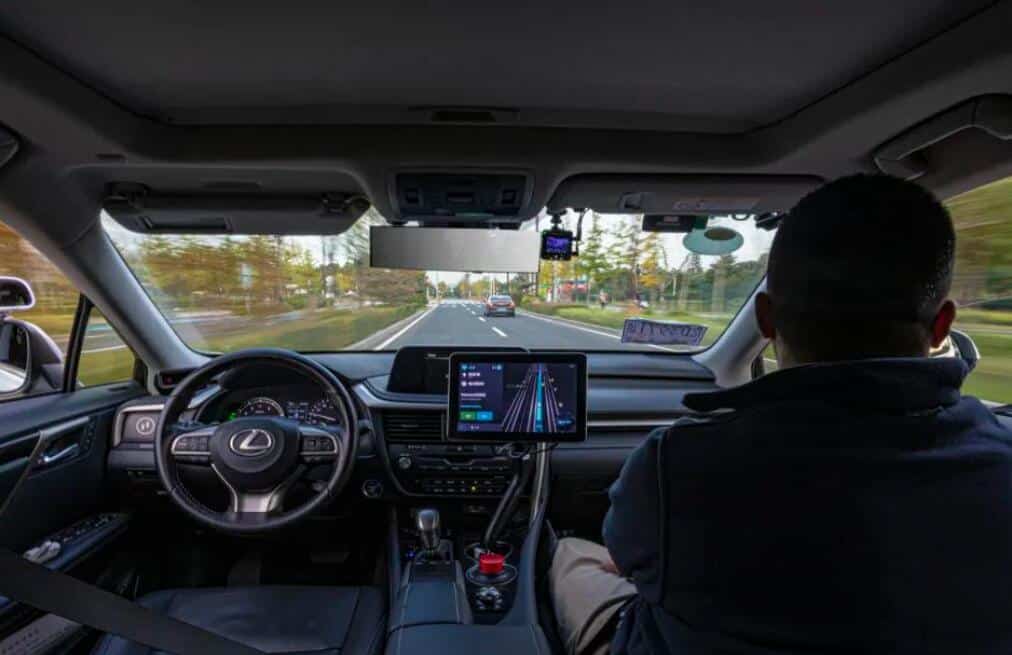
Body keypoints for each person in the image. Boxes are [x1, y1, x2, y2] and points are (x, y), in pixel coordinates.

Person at [549, 174, 1012, 655]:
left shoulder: (677, 465)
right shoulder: (1002, 462)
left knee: (574, 554)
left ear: (766, 318)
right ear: (942, 325)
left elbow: (626, 557)